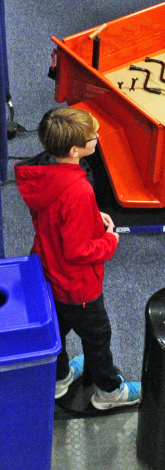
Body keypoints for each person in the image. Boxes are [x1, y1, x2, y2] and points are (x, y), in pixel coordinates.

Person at [15, 108, 141, 410]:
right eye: (92, 137)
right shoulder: (79, 190)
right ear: (75, 150)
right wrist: (110, 241)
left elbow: (56, 215)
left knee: (56, 329)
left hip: (47, 270)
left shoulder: (43, 174)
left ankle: (59, 378)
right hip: (78, 286)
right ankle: (109, 392)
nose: (96, 139)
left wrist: (90, 216)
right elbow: (80, 251)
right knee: (98, 336)